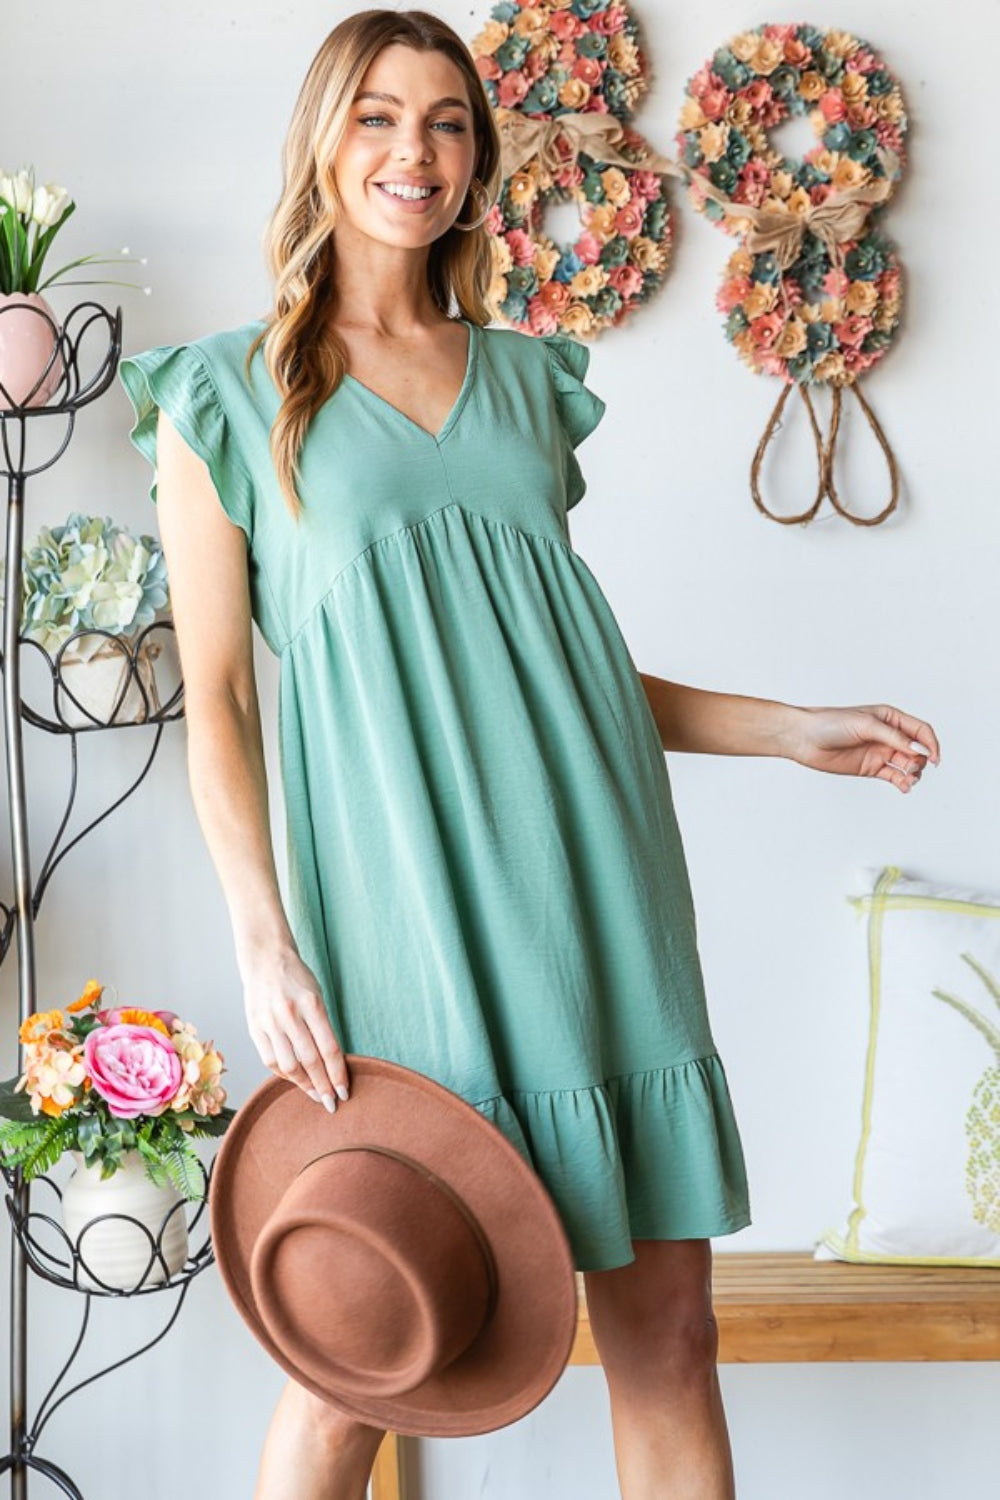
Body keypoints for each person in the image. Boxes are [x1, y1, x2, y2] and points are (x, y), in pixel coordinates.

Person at [119, 10, 941, 1500]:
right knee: (359, 1358)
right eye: (376, 116)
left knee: (669, 1339)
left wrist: (786, 729)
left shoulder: (526, 382)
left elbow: (550, 668)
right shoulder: (225, 398)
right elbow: (220, 700)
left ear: (476, 160)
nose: (413, 153)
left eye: (444, 123)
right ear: (321, 138)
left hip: (599, 898)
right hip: (400, 919)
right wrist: (262, 942)